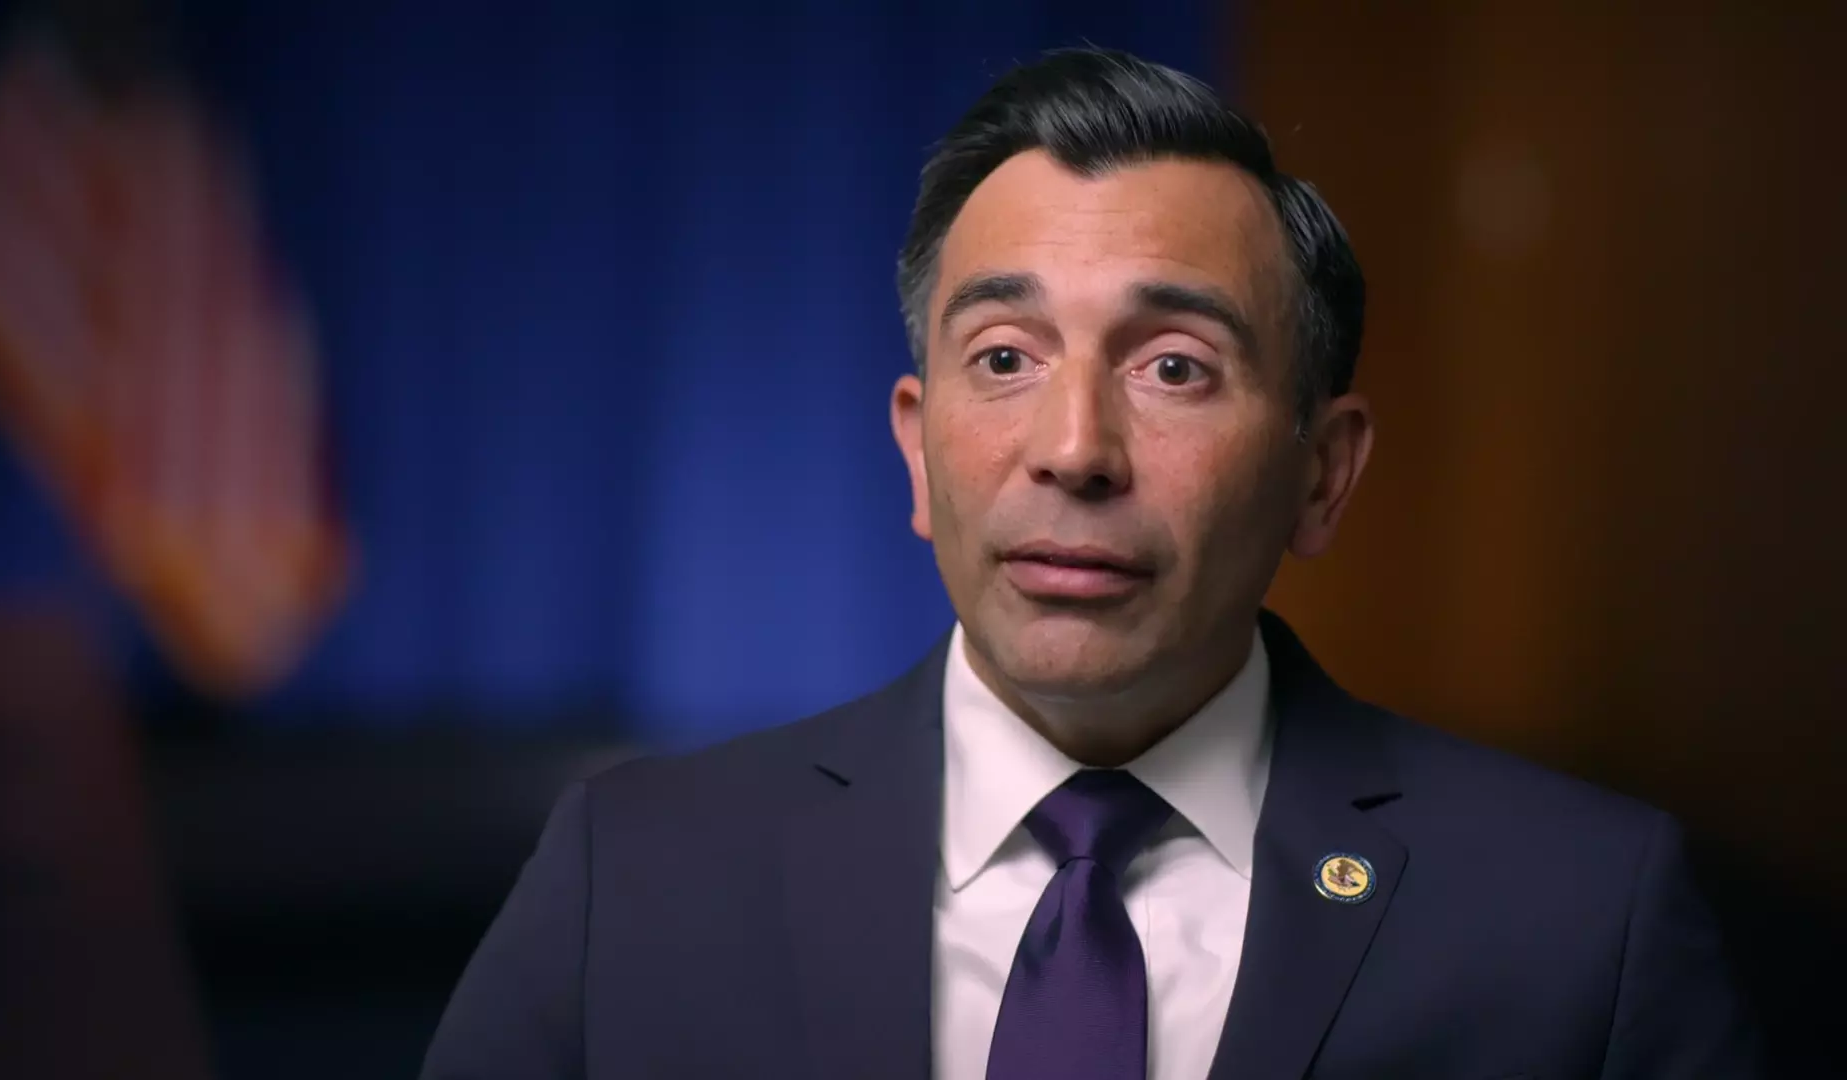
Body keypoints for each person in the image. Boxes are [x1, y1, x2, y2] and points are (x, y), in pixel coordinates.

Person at [420, 47, 1757, 1080]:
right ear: (916, 451)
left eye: (1174, 368)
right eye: (1006, 358)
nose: (1075, 450)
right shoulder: (631, 879)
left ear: (1323, 473)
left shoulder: (1585, 923)